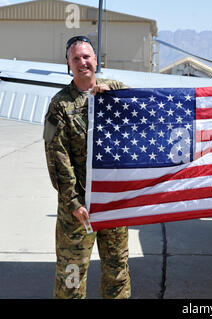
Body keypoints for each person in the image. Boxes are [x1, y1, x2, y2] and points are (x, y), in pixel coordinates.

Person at [43, 36, 131, 299]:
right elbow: (56, 156)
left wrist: (113, 99)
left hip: (112, 202)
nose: (82, 62)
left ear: (96, 59)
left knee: (117, 273)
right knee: (71, 277)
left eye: (86, 57)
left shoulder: (116, 91)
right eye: (76, 58)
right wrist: (74, 202)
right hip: (78, 208)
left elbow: (142, 113)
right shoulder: (60, 105)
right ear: (68, 64)